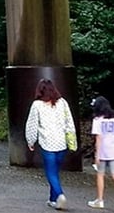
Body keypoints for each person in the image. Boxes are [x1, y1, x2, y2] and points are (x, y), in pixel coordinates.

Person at [25, 78, 77, 210]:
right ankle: (53, 199)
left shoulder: (37, 105)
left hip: (47, 143)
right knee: (55, 171)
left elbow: (32, 125)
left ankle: (60, 195)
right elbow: (69, 122)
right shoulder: (62, 102)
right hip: (62, 143)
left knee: (51, 172)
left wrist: (31, 141)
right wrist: (72, 140)